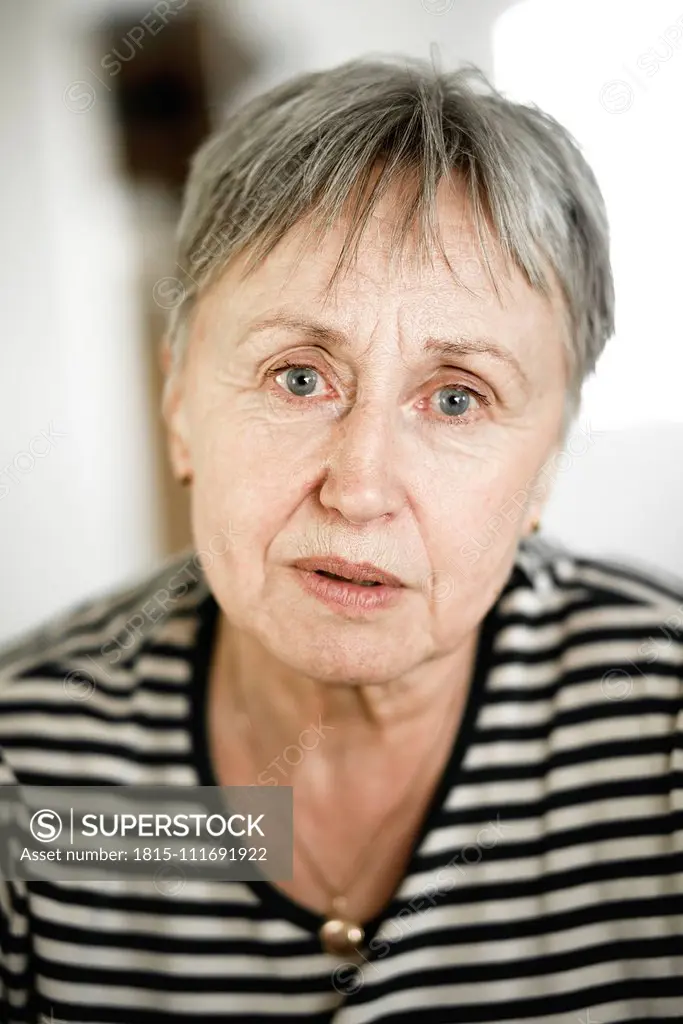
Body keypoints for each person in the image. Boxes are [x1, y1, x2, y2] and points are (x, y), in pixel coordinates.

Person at [1, 54, 682, 1024]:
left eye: (456, 397)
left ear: (543, 466)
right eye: (297, 377)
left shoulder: (658, 732)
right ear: (180, 400)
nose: (358, 488)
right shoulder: (28, 773)